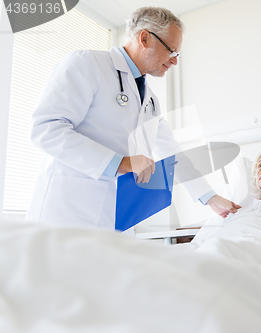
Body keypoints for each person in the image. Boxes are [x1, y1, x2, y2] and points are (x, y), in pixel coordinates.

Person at [26, 7, 240, 229]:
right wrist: (120, 162)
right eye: (171, 51)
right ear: (145, 38)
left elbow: (172, 154)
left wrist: (210, 198)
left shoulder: (150, 100)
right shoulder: (88, 64)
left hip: (115, 218)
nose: (175, 61)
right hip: (67, 211)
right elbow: (45, 128)